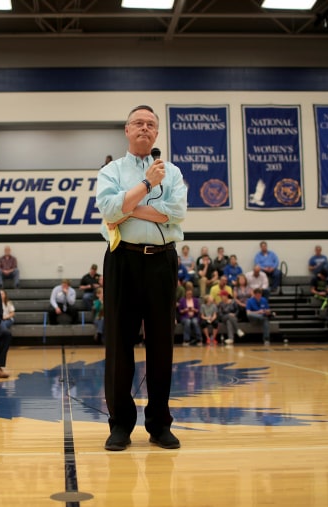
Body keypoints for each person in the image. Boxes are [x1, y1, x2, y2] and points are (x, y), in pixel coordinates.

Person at [96, 104, 187, 451]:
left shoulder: (173, 173)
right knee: (119, 345)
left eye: (151, 124)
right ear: (126, 129)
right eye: (138, 123)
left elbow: (176, 213)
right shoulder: (111, 171)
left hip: (163, 263)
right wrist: (148, 184)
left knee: (161, 345)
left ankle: (159, 424)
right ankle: (120, 424)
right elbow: (107, 211)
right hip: (123, 261)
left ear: (157, 133)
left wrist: (127, 208)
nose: (144, 128)